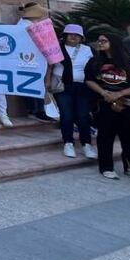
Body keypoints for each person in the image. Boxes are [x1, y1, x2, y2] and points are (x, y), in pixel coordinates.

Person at [85, 33, 130, 180]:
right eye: (99, 41)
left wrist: (120, 93)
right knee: (105, 137)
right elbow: (89, 80)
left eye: (104, 41)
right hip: (104, 104)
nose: (100, 43)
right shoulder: (94, 62)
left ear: (113, 43)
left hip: (128, 105)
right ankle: (106, 167)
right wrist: (103, 92)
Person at [52, 24, 96, 159]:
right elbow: (49, 66)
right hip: (63, 86)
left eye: (77, 35)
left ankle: (86, 144)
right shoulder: (56, 48)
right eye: (70, 34)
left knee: (83, 115)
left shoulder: (88, 49)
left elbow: (93, 67)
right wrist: (47, 82)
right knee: (67, 115)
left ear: (81, 37)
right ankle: (68, 143)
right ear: (65, 35)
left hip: (82, 87)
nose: (73, 37)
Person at [16, 1, 55, 123]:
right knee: (31, 83)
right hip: (28, 58)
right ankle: (34, 110)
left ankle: (39, 110)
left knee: (37, 83)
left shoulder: (29, 24)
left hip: (35, 58)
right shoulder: (23, 26)